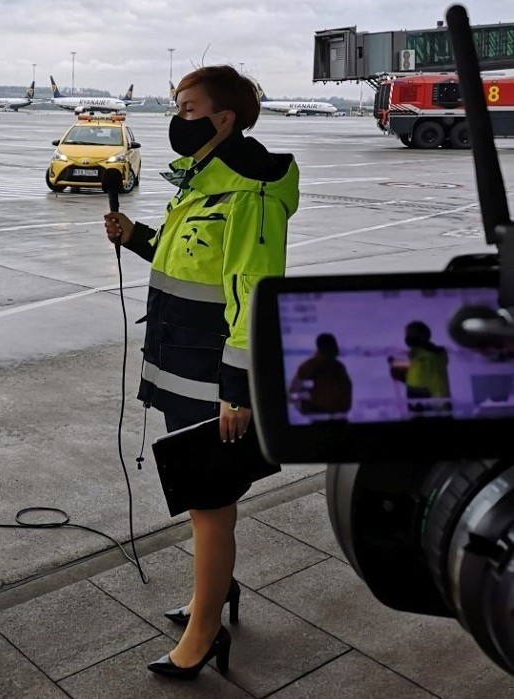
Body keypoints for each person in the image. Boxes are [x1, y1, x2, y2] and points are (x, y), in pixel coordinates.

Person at [104, 65, 299, 679]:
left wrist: (239, 390)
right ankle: (212, 593)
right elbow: (190, 259)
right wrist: (138, 237)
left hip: (216, 379)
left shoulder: (251, 190)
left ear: (224, 119)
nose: (176, 119)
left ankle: (205, 629)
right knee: (202, 501)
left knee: (210, 503)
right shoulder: (201, 185)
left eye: (188, 109)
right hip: (181, 365)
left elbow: (253, 289)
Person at [388, 320, 451, 413]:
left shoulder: (418, 357)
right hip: (441, 401)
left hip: (424, 401)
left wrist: (394, 364)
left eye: (408, 334)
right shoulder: (439, 355)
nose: (406, 338)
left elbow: (410, 377)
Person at [289, 333, 353, 416]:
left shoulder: (339, 367)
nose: (336, 349)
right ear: (323, 348)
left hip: (337, 419)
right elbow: (293, 394)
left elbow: (346, 389)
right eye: (332, 346)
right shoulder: (308, 368)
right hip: (317, 419)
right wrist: (308, 404)